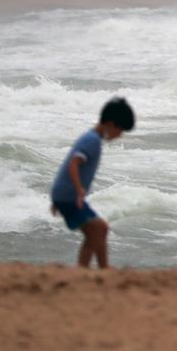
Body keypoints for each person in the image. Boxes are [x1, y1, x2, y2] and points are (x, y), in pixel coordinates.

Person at [50, 97, 135, 269]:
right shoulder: (92, 141)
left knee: (96, 231)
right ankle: (104, 269)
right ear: (111, 123)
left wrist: (57, 198)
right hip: (69, 196)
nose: (120, 135)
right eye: (120, 130)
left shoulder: (91, 138)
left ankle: (83, 269)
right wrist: (79, 190)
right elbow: (74, 163)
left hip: (64, 195)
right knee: (99, 229)